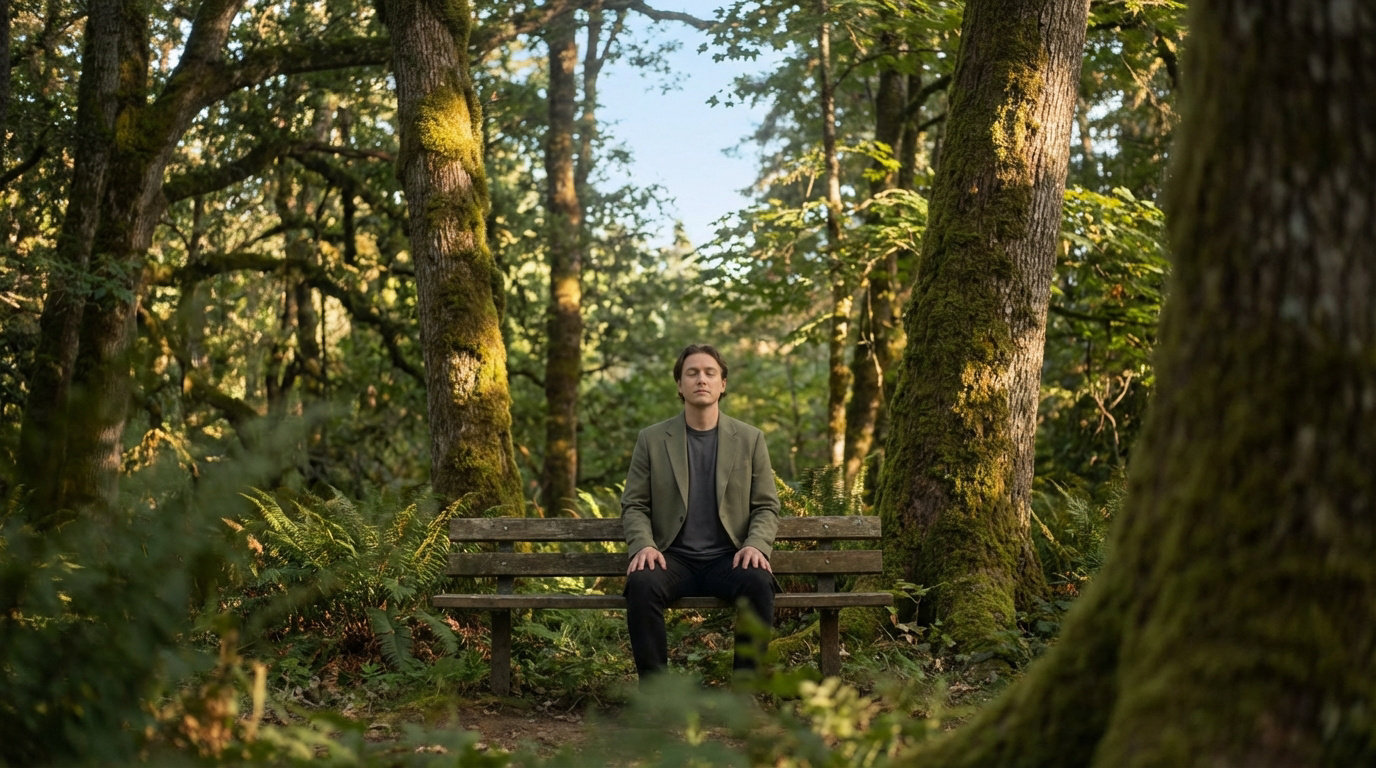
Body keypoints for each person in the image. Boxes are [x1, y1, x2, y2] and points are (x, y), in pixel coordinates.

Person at [621, 343, 781, 681]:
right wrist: (644, 545)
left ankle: (744, 694)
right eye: (691, 373)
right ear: (679, 384)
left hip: (729, 558)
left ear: (723, 383)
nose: (701, 380)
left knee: (758, 582)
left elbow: (766, 505)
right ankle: (657, 696)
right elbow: (634, 503)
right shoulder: (652, 440)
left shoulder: (750, 439)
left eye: (710, 373)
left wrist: (756, 545)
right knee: (641, 584)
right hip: (672, 558)